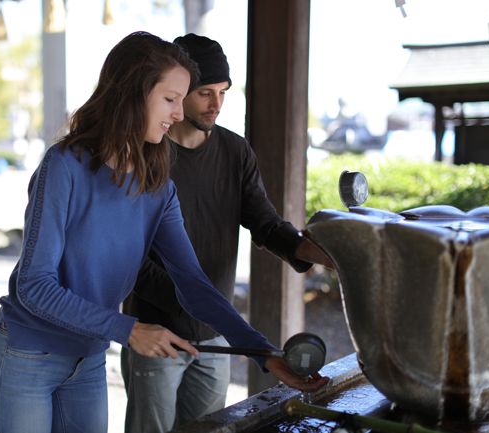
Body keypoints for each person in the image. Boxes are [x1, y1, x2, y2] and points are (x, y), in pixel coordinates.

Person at [0, 31, 328, 433]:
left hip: (89, 360)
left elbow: (194, 287)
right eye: (170, 99)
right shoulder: (64, 166)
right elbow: (33, 286)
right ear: (132, 94)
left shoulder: (158, 185)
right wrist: (128, 329)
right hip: (26, 356)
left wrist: (264, 354)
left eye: (182, 100)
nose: (179, 114)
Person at [121, 33, 332, 433]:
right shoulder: (145, 154)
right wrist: (192, 304)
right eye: (205, 93)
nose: (217, 104)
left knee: (210, 430)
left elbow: (266, 224)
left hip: (218, 335)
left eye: (223, 92)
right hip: (155, 331)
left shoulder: (236, 151)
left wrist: (319, 253)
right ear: (178, 91)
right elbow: (130, 258)